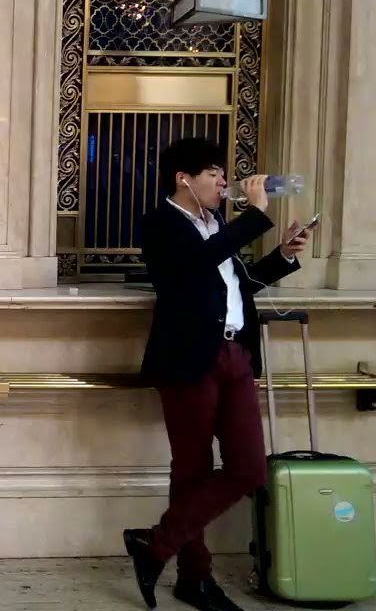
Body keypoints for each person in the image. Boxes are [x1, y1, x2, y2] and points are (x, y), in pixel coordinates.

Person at [122, 137, 311, 611]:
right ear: (183, 179)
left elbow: (239, 285)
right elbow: (193, 266)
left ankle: (156, 544)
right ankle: (195, 578)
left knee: (248, 467)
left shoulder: (217, 224)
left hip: (235, 355)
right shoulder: (161, 223)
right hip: (189, 358)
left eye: (224, 174)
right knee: (192, 470)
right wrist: (258, 213)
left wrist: (283, 255)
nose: (225, 182)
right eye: (214, 174)